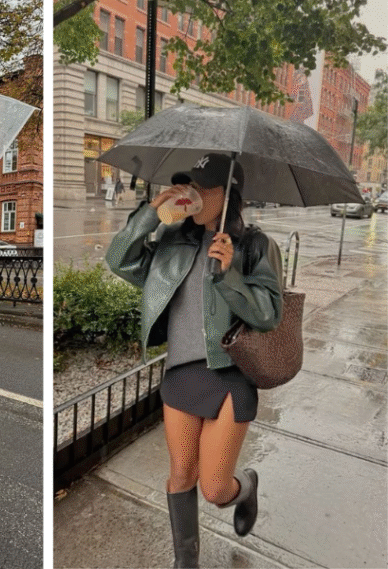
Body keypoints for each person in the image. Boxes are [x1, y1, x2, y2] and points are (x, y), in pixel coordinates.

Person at [105, 154, 283, 568]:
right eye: (188, 185)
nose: (193, 195)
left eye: (203, 187)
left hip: (231, 373)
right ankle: (186, 562)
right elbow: (119, 260)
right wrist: (150, 215)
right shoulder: (173, 242)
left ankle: (245, 487)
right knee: (181, 475)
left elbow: (269, 315)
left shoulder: (256, 245)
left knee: (214, 489)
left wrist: (230, 274)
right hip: (183, 372)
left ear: (227, 194)